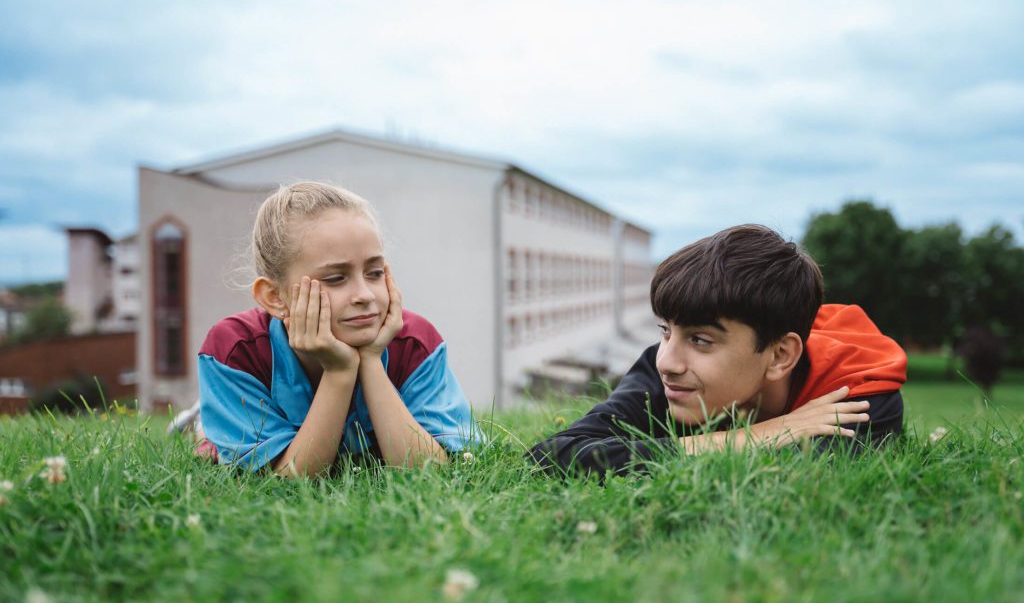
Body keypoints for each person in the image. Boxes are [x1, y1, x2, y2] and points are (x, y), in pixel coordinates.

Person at [529, 224, 907, 476]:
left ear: (779, 356)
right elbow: (552, 454)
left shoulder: (855, 392)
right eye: (666, 330)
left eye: (700, 340)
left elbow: (787, 482)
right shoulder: (667, 369)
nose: (667, 362)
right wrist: (765, 433)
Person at [196, 182, 479, 477]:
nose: (365, 295)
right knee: (214, 445)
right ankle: (201, 422)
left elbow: (433, 471)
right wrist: (340, 371)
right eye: (335, 278)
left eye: (374, 273)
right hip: (245, 399)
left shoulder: (416, 344)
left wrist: (370, 360)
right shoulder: (235, 350)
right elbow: (288, 481)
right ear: (275, 297)